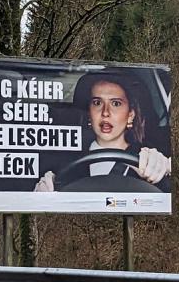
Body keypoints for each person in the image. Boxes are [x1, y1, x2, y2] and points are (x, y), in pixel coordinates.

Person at [34, 72, 171, 192]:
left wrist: (162, 167)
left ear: (130, 115)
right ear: (89, 113)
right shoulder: (64, 162)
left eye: (116, 103)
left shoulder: (148, 158)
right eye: (97, 103)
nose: (105, 112)